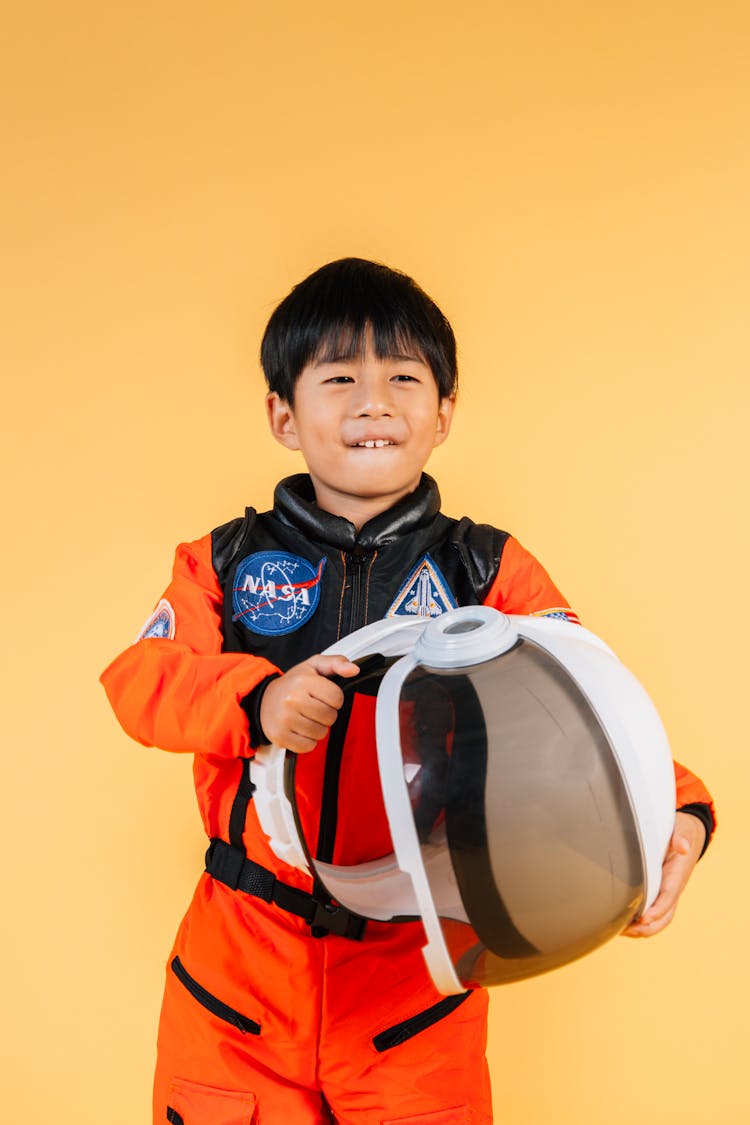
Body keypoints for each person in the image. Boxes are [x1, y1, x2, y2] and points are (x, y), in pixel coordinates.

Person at [101, 257, 715, 1125]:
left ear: (444, 414)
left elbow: (589, 706)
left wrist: (678, 815)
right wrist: (258, 699)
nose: (374, 401)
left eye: (403, 377)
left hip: (416, 975)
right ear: (284, 413)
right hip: (240, 972)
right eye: (340, 377)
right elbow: (140, 680)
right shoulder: (223, 563)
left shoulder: (486, 569)